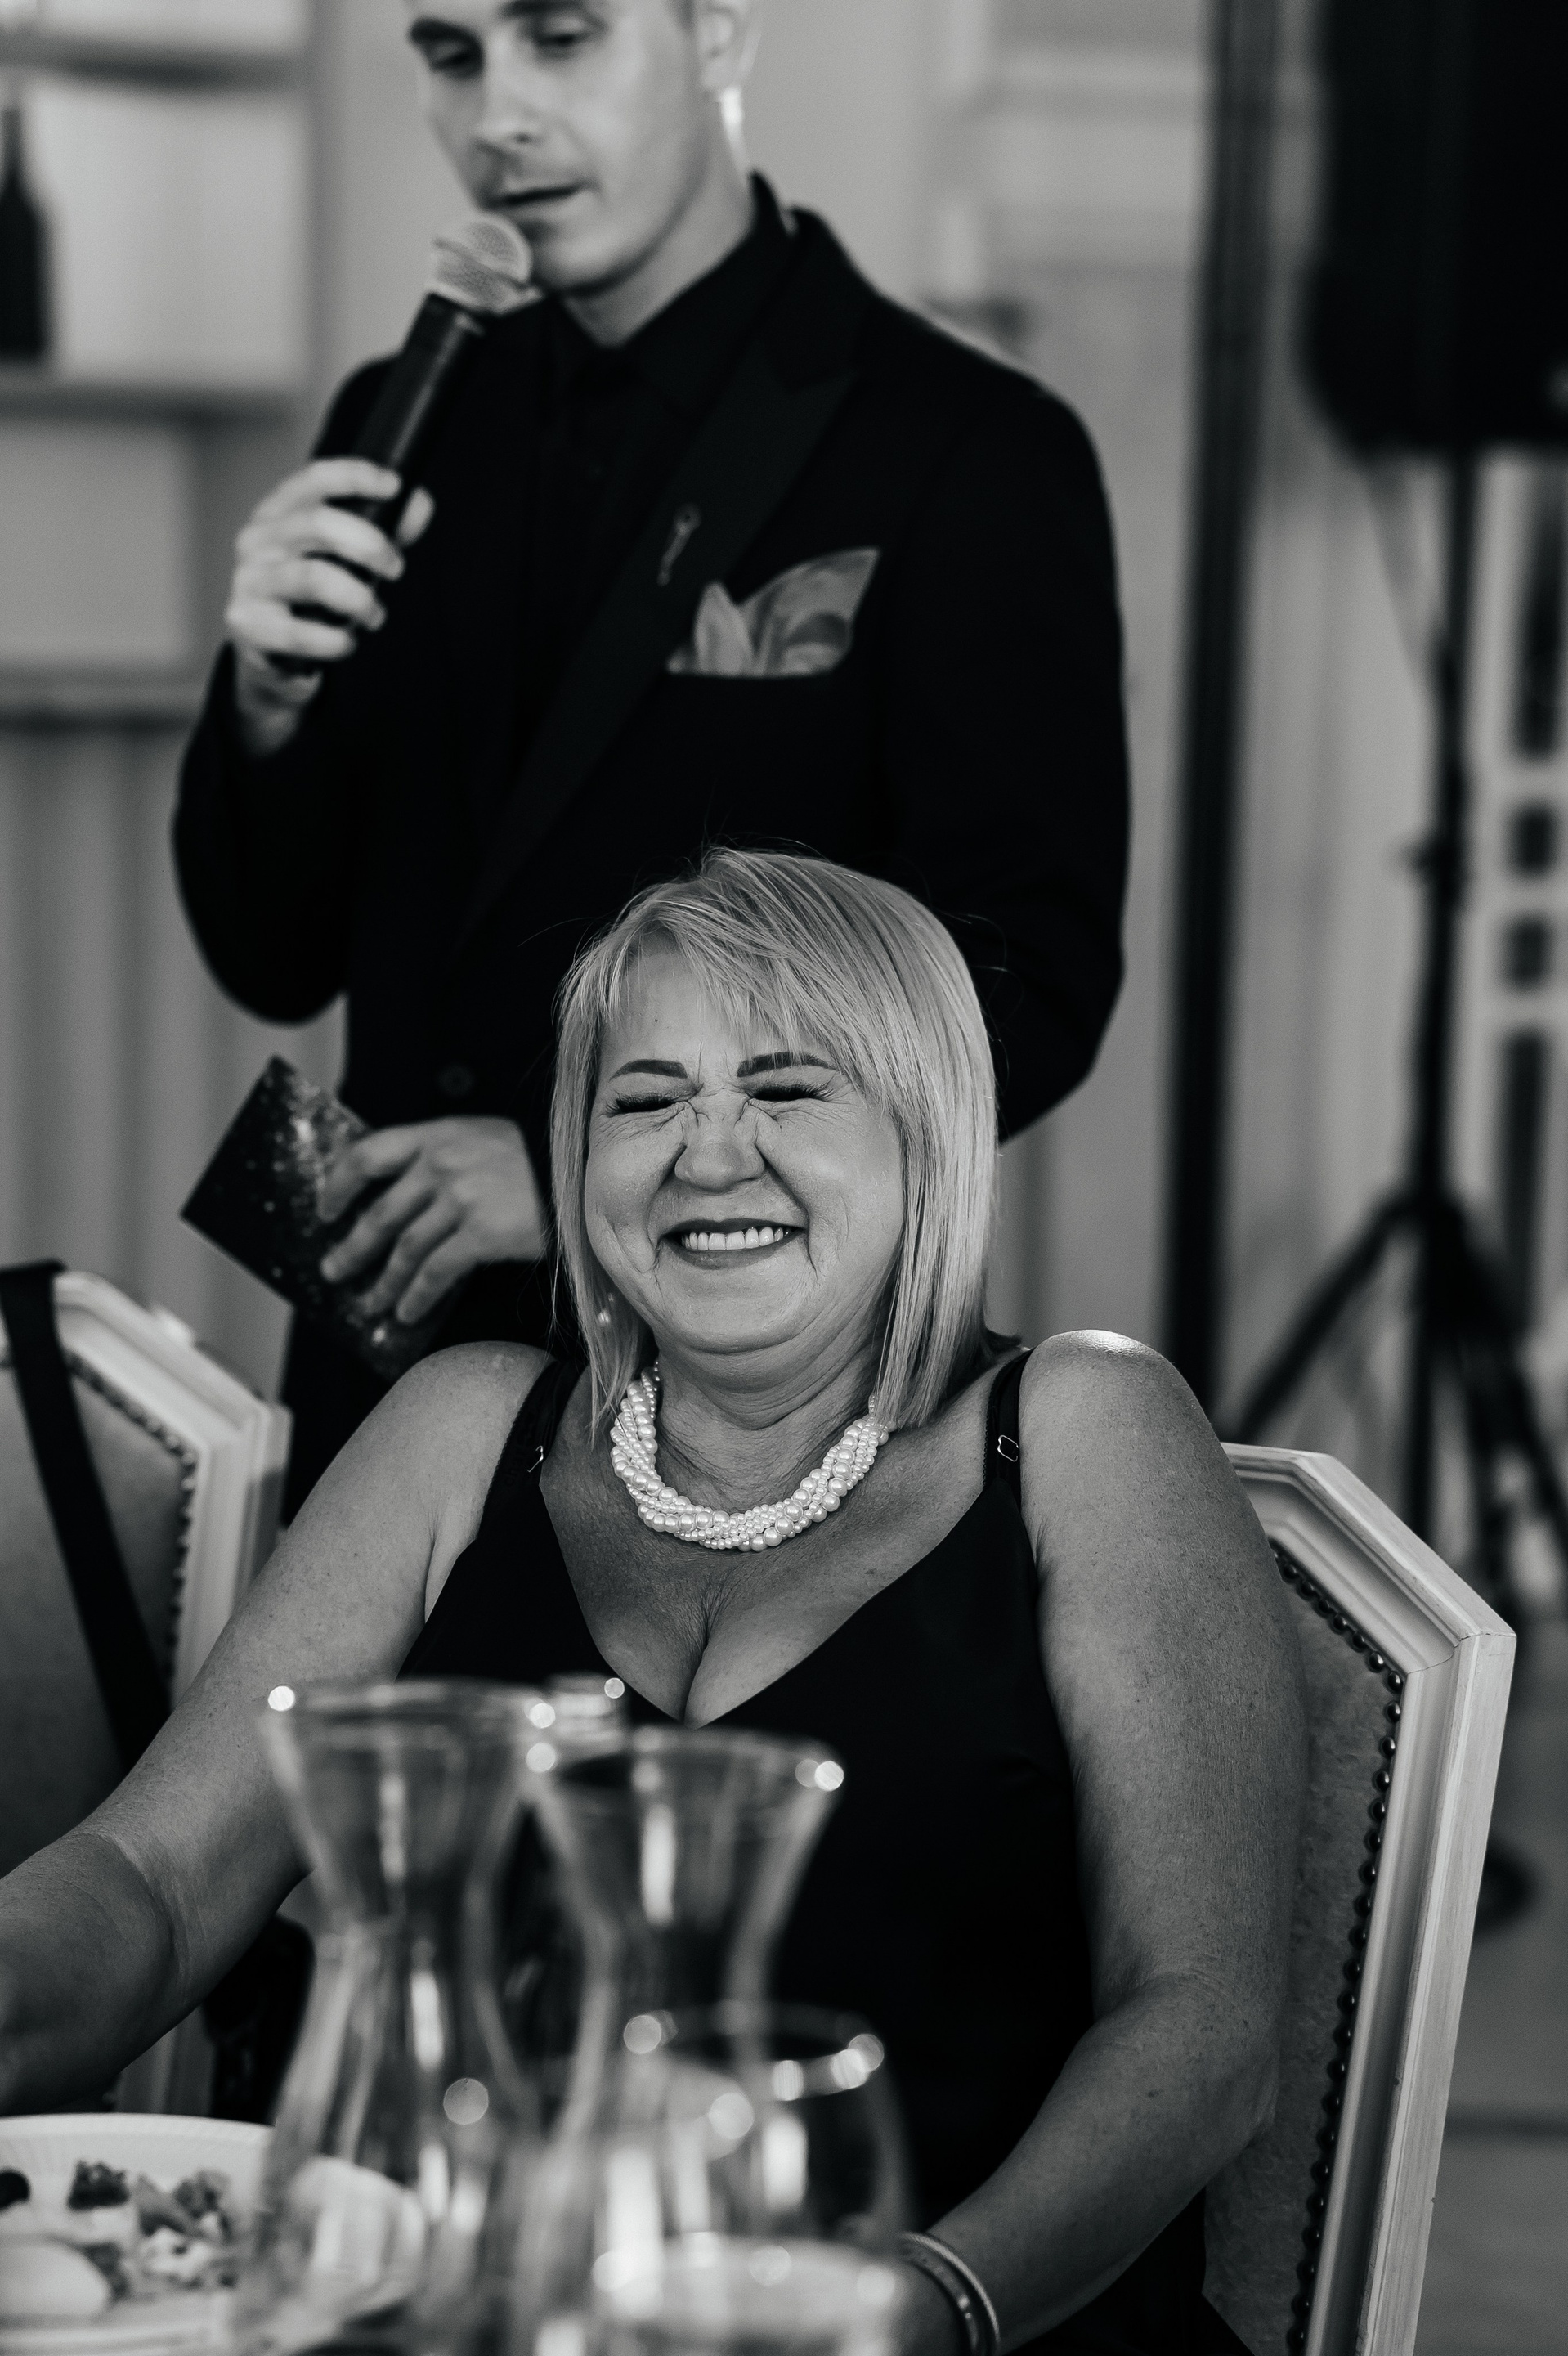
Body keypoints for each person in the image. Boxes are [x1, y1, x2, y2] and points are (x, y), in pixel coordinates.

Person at [0, 851, 1301, 2356]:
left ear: (931, 1137)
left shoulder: (1085, 1429)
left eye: (787, 1088)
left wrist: (915, 2307)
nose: (707, 1153)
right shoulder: (460, 1429)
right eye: (645, 1099)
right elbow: (156, 1884)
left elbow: (1202, 2025)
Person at [172, 0, 1130, 1515]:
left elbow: (1028, 976)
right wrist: (268, 705)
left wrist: (575, 1162)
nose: (499, 115)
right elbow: (271, 949)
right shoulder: (397, 414)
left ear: (721, 34)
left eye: (560, 37)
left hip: (748, 1390)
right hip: (391, 1381)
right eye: (451, 55)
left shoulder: (968, 447)